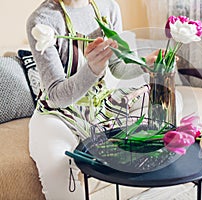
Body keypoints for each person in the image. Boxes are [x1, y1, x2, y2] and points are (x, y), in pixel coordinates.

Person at [26, 0, 158, 199]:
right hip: (58, 115)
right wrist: (92, 69)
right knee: (58, 174)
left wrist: (147, 63)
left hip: (100, 108)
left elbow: (118, 67)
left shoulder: (109, 8)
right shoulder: (42, 21)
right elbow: (54, 96)